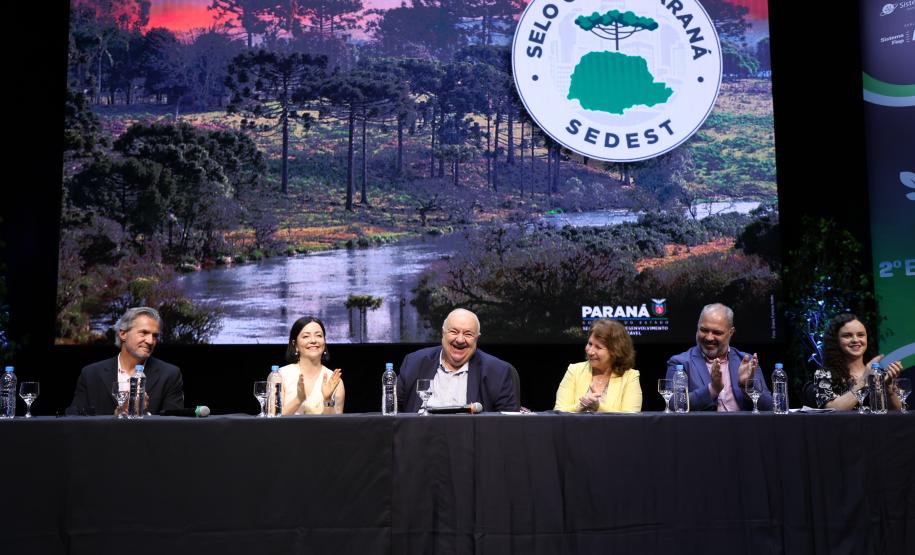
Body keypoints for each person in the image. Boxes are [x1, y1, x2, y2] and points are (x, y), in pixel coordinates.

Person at [397, 308, 518, 413]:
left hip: (471, 438)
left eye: (468, 334)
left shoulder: (497, 371)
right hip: (420, 437)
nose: (460, 340)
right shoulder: (414, 363)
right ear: (443, 333)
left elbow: (508, 424)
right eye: (454, 332)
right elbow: (392, 411)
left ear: (477, 338)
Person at [67, 307, 184, 415]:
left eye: (155, 336)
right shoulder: (91, 374)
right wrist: (116, 416)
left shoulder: (170, 374)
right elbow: (73, 420)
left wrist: (144, 414)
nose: (150, 341)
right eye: (144, 333)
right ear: (123, 334)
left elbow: (174, 427)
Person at [666, 303, 772, 411]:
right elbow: (674, 404)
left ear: (731, 332)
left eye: (717, 332)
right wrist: (712, 389)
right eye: (704, 330)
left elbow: (768, 407)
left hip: (743, 426)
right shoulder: (680, 363)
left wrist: (748, 385)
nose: (709, 337)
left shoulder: (746, 362)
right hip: (702, 427)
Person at [803, 313, 904, 410]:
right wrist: (864, 380)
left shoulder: (880, 372)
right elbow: (832, 411)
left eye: (861, 335)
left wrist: (889, 389)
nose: (855, 340)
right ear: (836, 341)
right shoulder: (824, 374)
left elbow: (899, 414)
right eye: (847, 336)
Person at [554, 319, 642, 412]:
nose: (590, 351)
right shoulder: (574, 370)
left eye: (598, 347)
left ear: (615, 351)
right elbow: (559, 411)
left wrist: (598, 407)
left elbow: (632, 418)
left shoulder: (630, 377)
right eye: (590, 344)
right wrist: (580, 406)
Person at [278, 316, 344, 415]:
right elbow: (272, 421)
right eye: (306, 336)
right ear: (295, 344)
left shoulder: (334, 380)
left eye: (319, 335)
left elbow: (336, 426)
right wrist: (298, 400)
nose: (313, 340)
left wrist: (327, 399)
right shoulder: (279, 376)